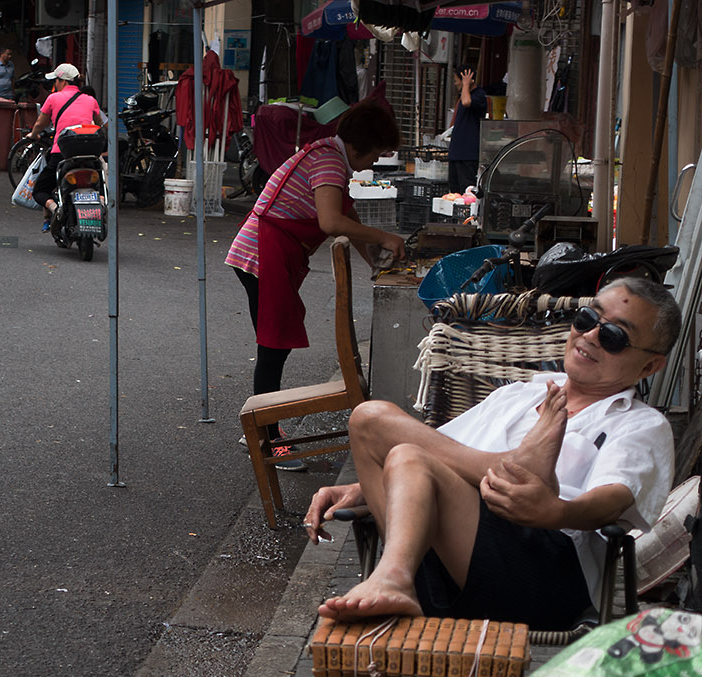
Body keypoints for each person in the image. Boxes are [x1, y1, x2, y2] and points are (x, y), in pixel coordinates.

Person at [306, 278, 679, 630]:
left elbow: (613, 499)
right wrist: (361, 488)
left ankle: (392, 576)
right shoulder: (518, 395)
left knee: (402, 447)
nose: (590, 335)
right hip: (444, 563)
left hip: (543, 575)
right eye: (586, 319)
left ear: (649, 365)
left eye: (614, 336)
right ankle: (500, 472)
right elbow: (437, 454)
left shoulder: (640, 424)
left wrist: (556, 511)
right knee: (372, 423)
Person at [223, 100, 406, 471]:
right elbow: (331, 222)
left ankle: (262, 427)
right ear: (362, 145)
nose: (375, 161)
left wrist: (375, 262)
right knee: (273, 348)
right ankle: (267, 439)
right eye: (376, 152)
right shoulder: (328, 161)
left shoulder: (330, 156)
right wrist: (384, 237)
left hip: (269, 253)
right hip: (261, 254)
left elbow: (347, 215)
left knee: (274, 348)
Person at [24, 63, 101, 232]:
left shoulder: (53, 98)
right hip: (90, 155)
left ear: (63, 81)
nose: (55, 85)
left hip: (62, 154)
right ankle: (101, 202)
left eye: (56, 81)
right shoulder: (90, 100)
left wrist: (34, 135)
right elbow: (101, 124)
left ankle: (55, 208)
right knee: (99, 184)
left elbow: (40, 124)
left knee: (40, 190)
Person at [448, 64, 487, 195]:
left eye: (457, 80)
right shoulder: (465, 95)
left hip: (468, 153)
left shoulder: (479, 95)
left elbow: (466, 102)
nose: (455, 84)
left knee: (467, 190)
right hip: (456, 152)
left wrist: (465, 84)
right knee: (455, 191)